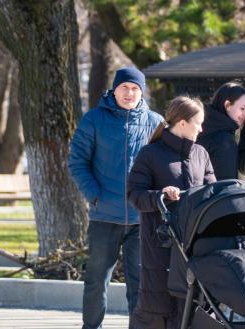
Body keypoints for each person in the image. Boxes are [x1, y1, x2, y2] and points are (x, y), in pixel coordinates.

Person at [69, 67, 163, 329]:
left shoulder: (156, 122)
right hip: (104, 215)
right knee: (97, 281)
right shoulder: (94, 120)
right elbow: (77, 162)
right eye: (125, 88)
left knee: (141, 283)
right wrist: (94, 195)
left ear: (141, 92)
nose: (130, 93)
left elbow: (163, 165)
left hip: (141, 218)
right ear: (114, 89)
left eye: (135, 89)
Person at [127, 96, 216, 329]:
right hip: (160, 246)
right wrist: (160, 196)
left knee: (190, 309)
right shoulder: (151, 154)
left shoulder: (201, 153)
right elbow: (134, 195)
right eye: (199, 122)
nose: (202, 128)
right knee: (158, 311)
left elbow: (212, 190)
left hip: (194, 245)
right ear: (183, 123)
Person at [196, 82, 245, 180]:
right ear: (227, 105)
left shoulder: (199, 125)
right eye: (242, 108)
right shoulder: (224, 139)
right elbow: (226, 182)